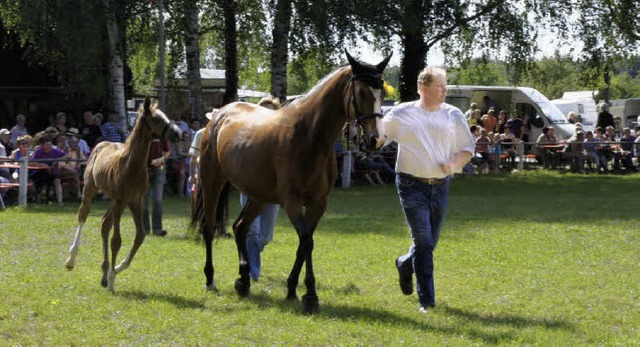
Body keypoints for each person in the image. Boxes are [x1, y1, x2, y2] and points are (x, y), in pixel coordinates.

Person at [383, 66, 475, 313]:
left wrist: (454, 164)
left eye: (446, 86)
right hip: (411, 185)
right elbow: (380, 135)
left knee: (429, 242)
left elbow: (468, 148)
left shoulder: (453, 115)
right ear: (423, 88)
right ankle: (427, 301)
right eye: (439, 86)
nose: (444, 90)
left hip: (440, 186)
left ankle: (405, 263)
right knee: (422, 240)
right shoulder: (402, 113)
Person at [143, 135, 171, 236]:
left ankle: (157, 229)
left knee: (157, 199)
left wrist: (161, 160)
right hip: (143, 170)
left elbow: (168, 151)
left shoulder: (161, 133)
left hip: (159, 169)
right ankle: (144, 229)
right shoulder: (142, 133)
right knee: (142, 200)